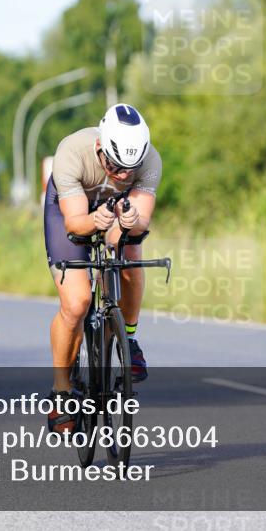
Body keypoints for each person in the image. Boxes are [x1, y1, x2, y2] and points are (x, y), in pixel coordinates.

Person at [42, 103, 162, 432]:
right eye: (114, 166)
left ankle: (129, 338)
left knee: (130, 252)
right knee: (77, 302)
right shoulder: (72, 151)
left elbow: (140, 221)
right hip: (71, 211)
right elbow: (75, 223)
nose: (122, 175)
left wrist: (130, 221)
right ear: (100, 147)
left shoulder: (151, 160)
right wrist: (96, 219)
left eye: (129, 169)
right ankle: (61, 391)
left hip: (115, 210)